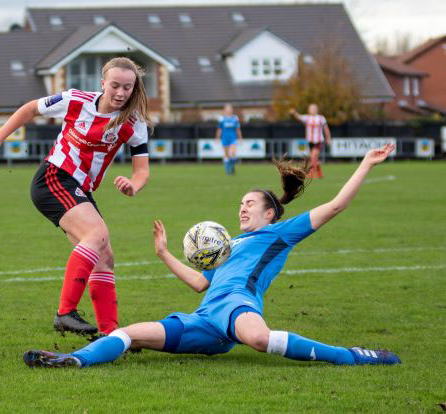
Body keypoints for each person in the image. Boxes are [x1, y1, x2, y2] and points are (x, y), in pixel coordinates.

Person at [23, 144, 402, 369]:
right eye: (240, 204)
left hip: (238, 307)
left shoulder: (280, 234)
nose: (242, 209)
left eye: (249, 204)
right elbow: (200, 282)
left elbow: (335, 206)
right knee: (129, 334)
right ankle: (74, 360)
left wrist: (366, 163)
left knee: (258, 339)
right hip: (205, 317)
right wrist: (164, 254)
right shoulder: (230, 244)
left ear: (270, 213)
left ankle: (352, 356)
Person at [0, 57, 152, 336]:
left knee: (104, 256)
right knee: (96, 234)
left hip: (80, 189)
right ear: (103, 84)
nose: (121, 93)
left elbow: (142, 170)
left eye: (128, 88)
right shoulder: (76, 100)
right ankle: (65, 313)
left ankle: (111, 336)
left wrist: (133, 185)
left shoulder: (134, 123)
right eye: (115, 86)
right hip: (54, 177)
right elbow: (29, 109)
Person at [290, 104, 331, 179]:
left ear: (317, 109)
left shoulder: (321, 118)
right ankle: (319, 173)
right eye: (311, 108)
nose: (313, 110)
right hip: (310, 141)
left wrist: (328, 138)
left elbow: (326, 129)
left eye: (314, 108)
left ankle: (310, 174)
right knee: (313, 158)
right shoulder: (307, 118)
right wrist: (294, 112)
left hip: (318, 141)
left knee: (313, 157)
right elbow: (299, 117)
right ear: (309, 110)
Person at [215, 104, 242, 175]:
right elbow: (219, 129)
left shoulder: (235, 118)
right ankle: (228, 171)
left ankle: (231, 167)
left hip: (233, 138)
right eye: (227, 109)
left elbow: (238, 129)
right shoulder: (222, 118)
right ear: (225, 110)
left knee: (232, 154)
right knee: (226, 156)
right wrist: (217, 138)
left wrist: (240, 138)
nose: (229, 110)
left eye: (230, 108)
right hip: (225, 139)